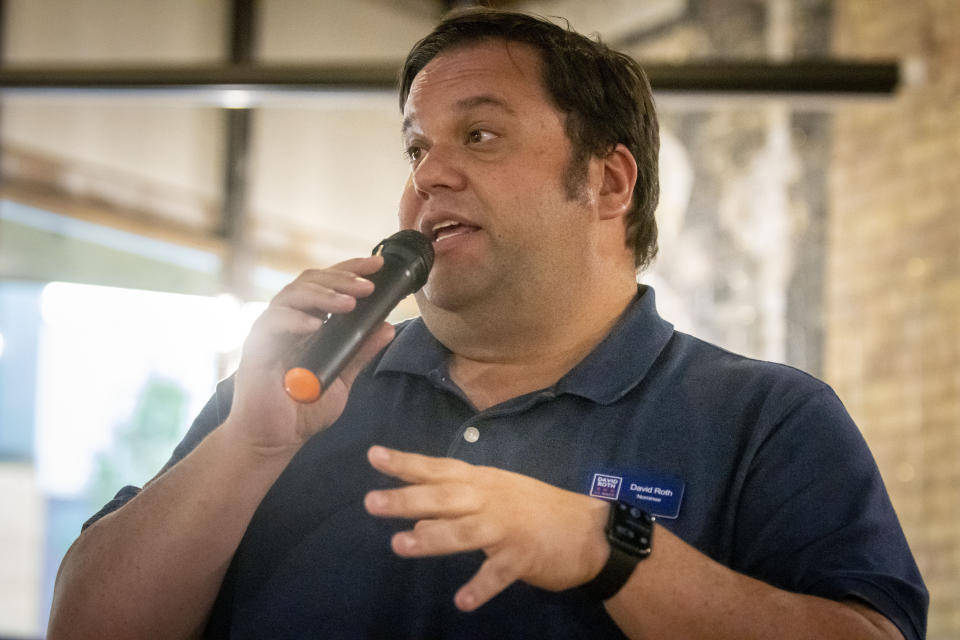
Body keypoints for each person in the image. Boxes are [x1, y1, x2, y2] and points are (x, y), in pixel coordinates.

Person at [48, 8, 926, 640]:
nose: (429, 174)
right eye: (416, 146)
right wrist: (249, 444)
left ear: (608, 184)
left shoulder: (768, 417)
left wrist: (607, 548)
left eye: (480, 136)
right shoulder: (288, 396)